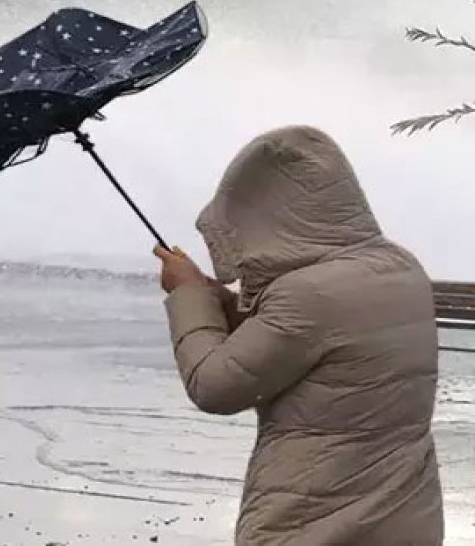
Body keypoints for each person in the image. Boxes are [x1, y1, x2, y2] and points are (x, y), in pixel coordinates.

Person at [153, 125, 443, 544]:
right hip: (404, 512)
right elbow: (302, 342)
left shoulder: (306, 294)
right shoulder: (399, 266)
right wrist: (211, 293)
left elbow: (214, 387)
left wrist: (187, 295)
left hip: (315, 517)